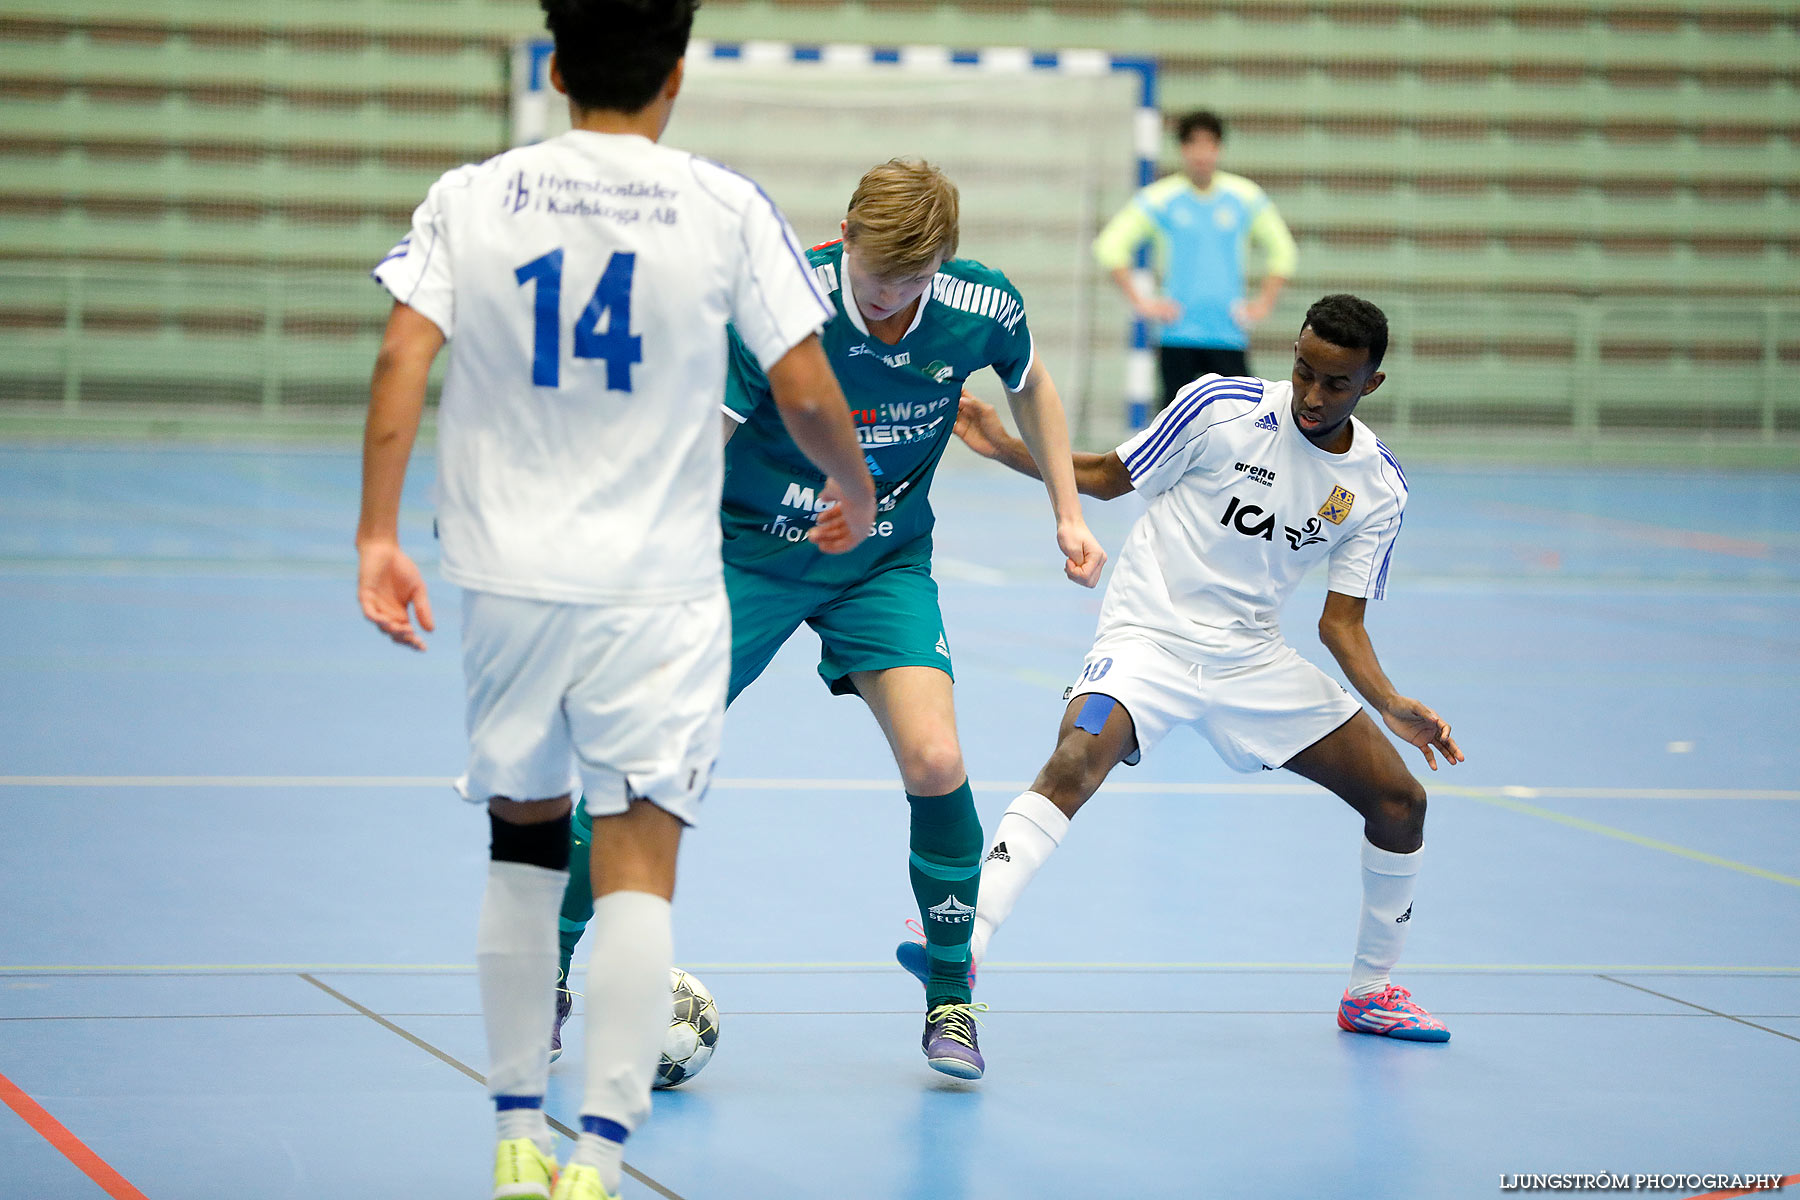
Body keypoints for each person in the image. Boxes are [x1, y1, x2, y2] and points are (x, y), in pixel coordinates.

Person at [356, 1, 876, 1197]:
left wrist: (379, 532)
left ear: (554, 66)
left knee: (522, 850)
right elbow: (801, 389)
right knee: (640, 861)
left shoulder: (471, 195)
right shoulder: (725, 204)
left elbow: (401, 356)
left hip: (507, 578)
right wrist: (851, 486)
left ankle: (511, 1138)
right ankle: (597, 1161)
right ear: (676, 77)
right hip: (657, 588)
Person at [552, 157, 1107, 1082]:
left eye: (915, 281)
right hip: (749, 556)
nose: (893, 300)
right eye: (879, 277)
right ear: (843, 236)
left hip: (881, 561)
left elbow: (1033, 384)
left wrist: (1067, 510)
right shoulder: (776, 300)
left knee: (937, 760)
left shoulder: (981, 304)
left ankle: (951, 997)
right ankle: (552, 972)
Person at [921, 294, 1464, 1041]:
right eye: (1303, 370)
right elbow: (1111, 477)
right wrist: (1006, 446)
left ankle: (1371, 992)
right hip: (1149, 634)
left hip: (1251, 658)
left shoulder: (1377, 487)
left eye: (1334, 384)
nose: (1311, 394)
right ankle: (962, 948)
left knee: (1402, 803)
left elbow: (1341, 625)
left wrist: (1391, 703)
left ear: (1369, 385)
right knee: (1075, 760)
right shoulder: (1220, 407)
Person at [1095, 109, 1298, 412]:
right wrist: (1142, 302)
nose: (1201, 153)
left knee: (1241, 421)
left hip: (1228, 333)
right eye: (1193, 144)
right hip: (1177, 333)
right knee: (1174, 425)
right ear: (1182, 149)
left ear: (1219, 148)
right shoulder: (1160, 198)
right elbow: (1110, 247)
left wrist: (1263, 303)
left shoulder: (1245, 197)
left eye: (1209, 144)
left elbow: (1284, 251)